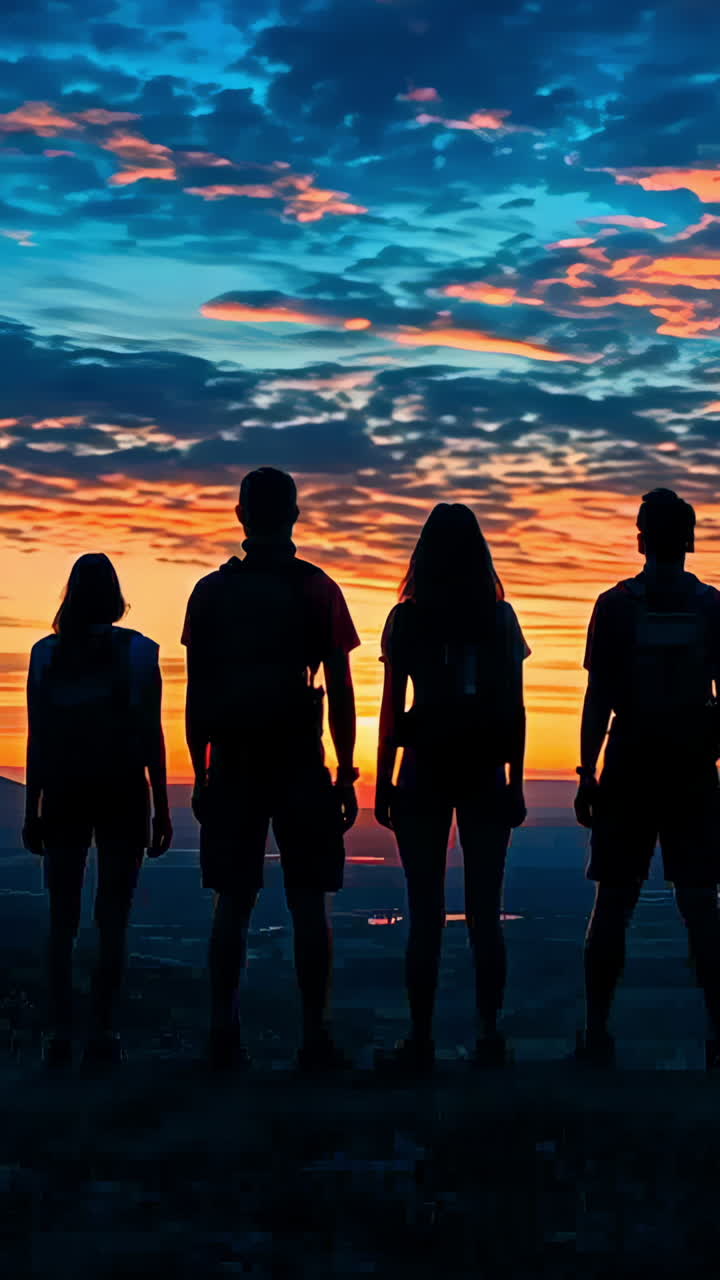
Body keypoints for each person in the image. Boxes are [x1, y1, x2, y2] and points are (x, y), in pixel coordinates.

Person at [182, 467, 360, 1072]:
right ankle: (315, 1038)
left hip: (232, 760)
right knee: (309, 901)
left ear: (241, 515)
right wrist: (346, 769)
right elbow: (340, 687)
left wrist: (199, 771)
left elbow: (198, 692)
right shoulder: (318, 588)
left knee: (232, 902)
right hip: (299, 759)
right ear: (294, 515)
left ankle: (222, 1035)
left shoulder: (210, 592)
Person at [374, 503, 529, 1074]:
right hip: (484, 767)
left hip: (424, 766)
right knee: (486, 911)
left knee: (425, 913)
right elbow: (515, 707)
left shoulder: (406, 619)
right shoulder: (500, 619)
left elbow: (392, 709)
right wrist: (515, 780)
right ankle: (489, 1037)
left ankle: (420, 1040)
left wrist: (384, 779)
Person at [575, 488, 720, 1069]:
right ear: (689, 541)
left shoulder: (614, 606)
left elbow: (598, 697)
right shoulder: (711, 607)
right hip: (693, 768)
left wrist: (587, 772)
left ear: (640, 540)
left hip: (629, 764)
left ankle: (596, 1035)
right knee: (702, 907)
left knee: (613, 902)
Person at [22, 553, 173, 1070]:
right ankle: (102, 1034)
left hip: (64, 792)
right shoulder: (140, 652)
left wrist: (32, 808)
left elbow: (38, 738)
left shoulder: (45, 654)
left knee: (61, 920)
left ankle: (59, 1035)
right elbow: (152, 735)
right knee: (113, 920)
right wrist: (162, 808)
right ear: (115, 597)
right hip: (123, 793)